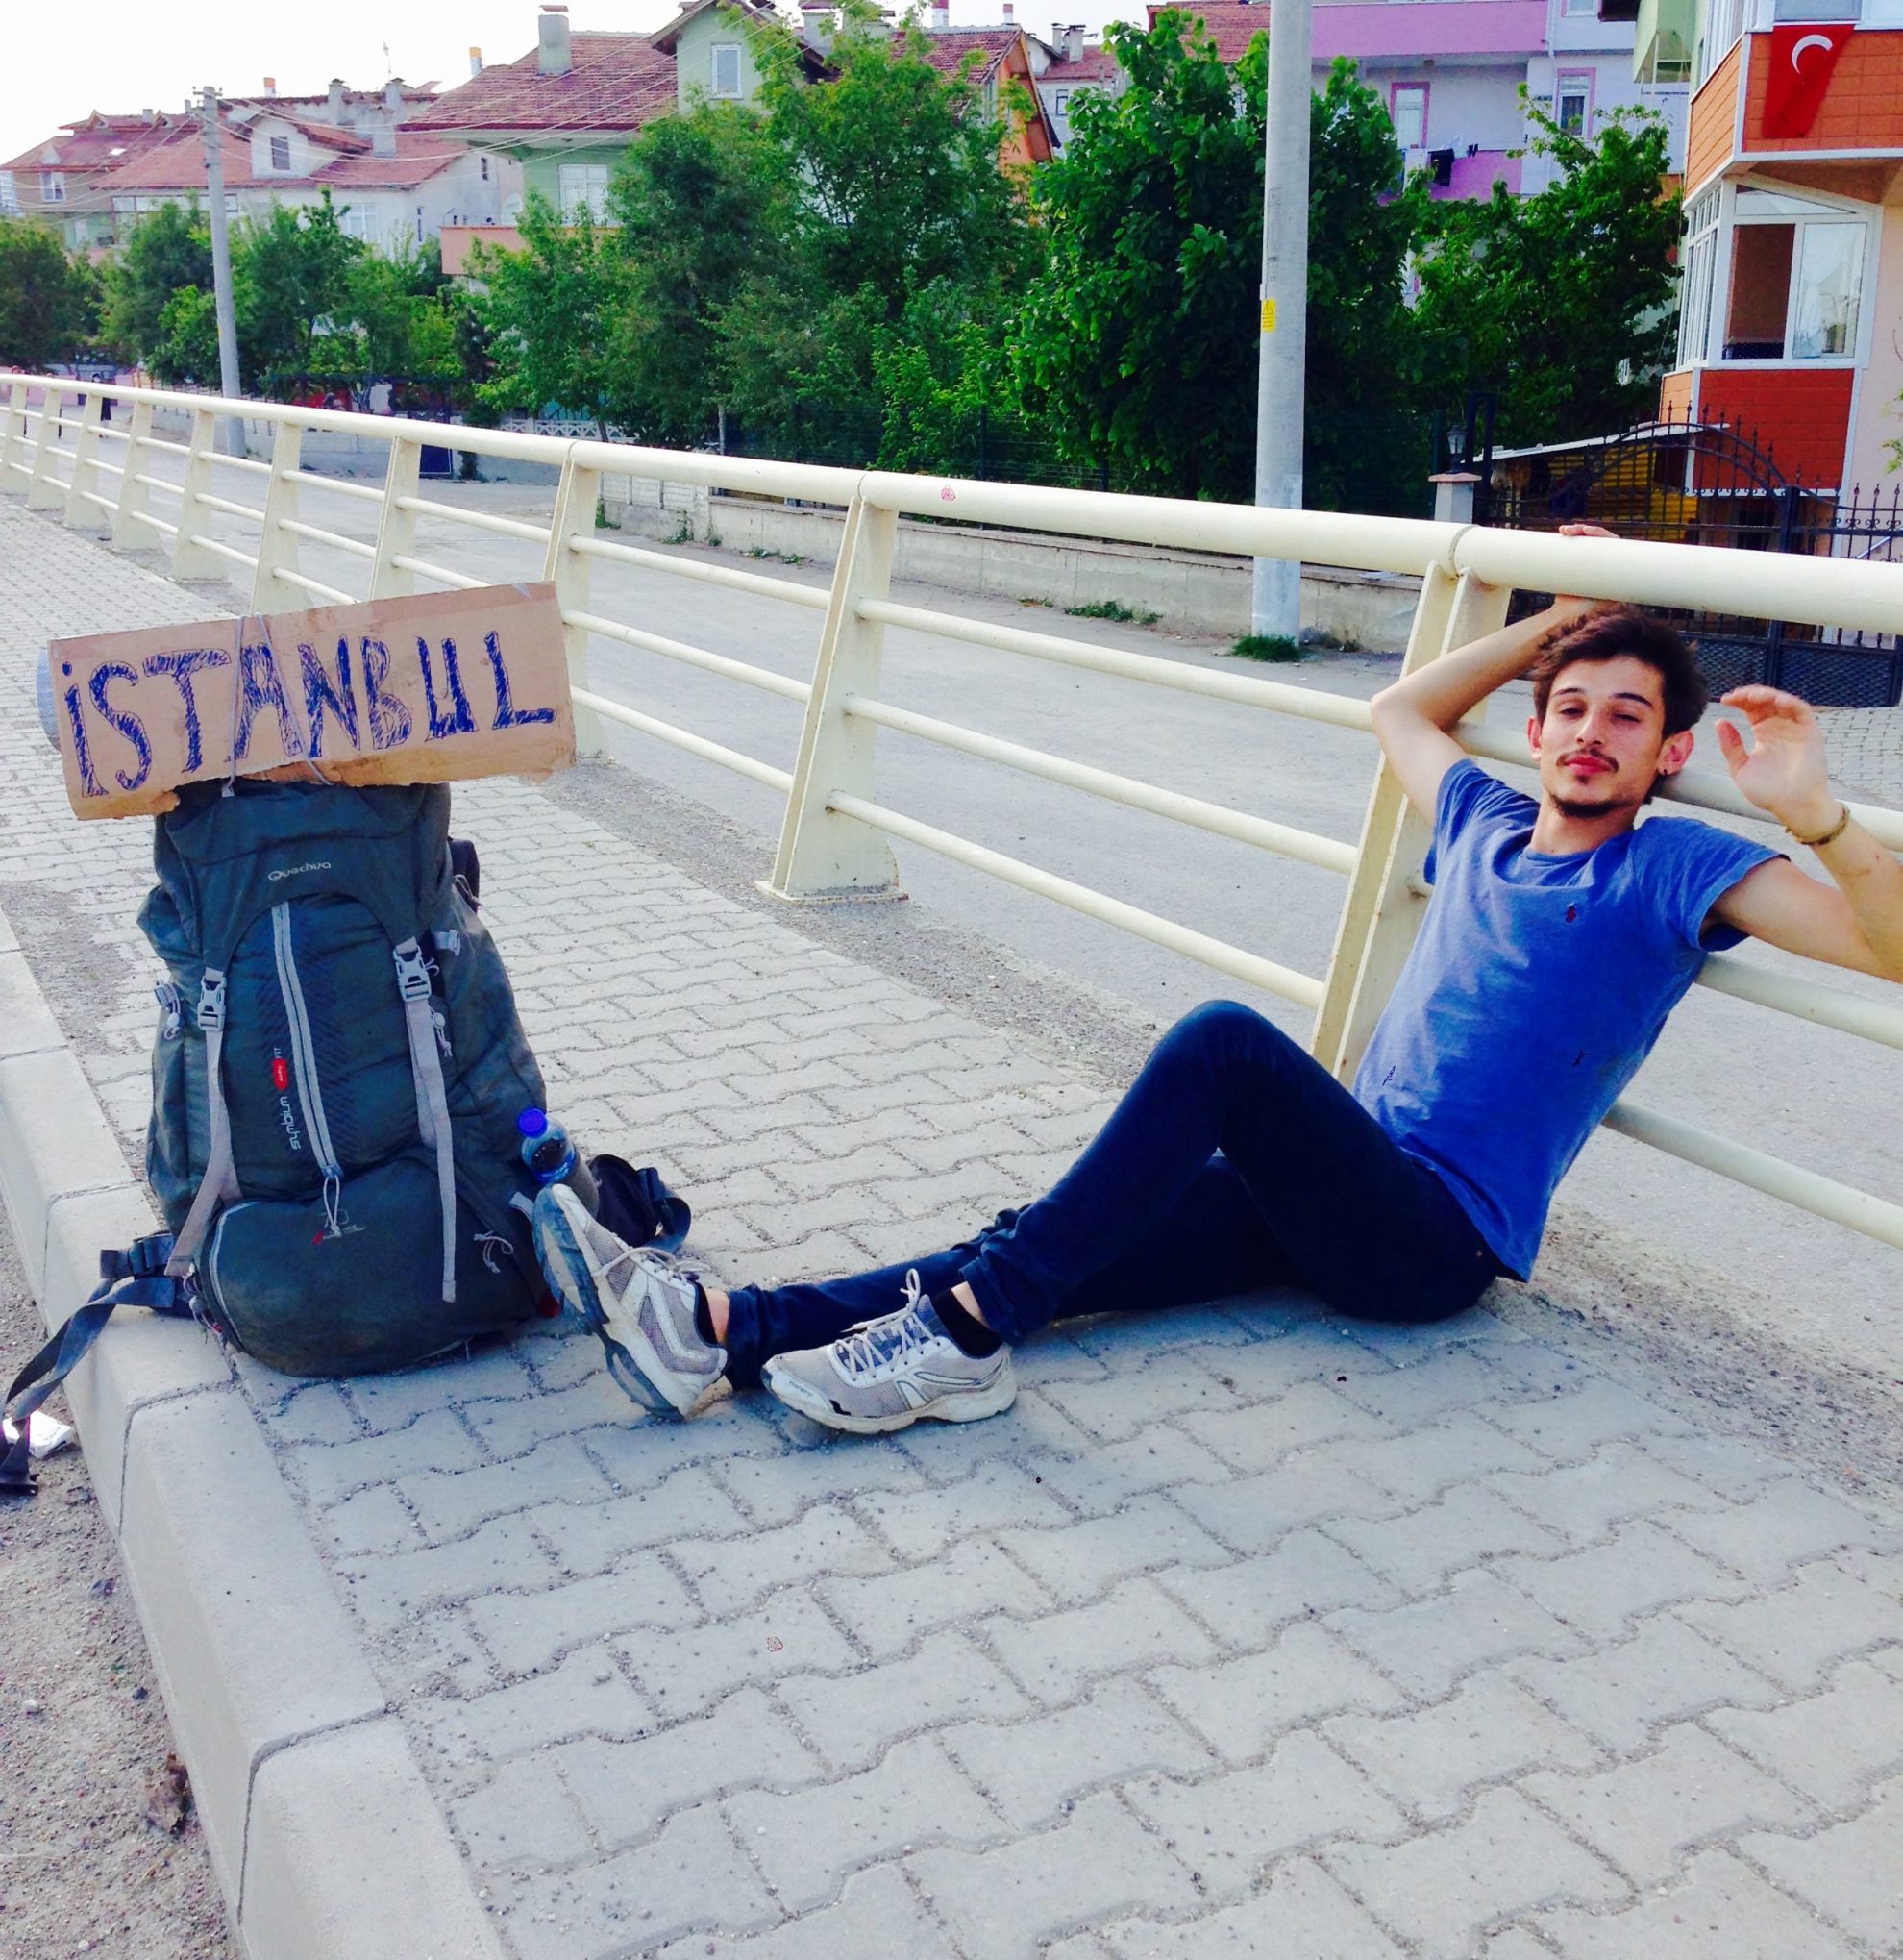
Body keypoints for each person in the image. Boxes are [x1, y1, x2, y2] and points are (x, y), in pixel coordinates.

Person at [531, 546, 1903, 1435]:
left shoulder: (1675, 868)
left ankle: (961, 1338)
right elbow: (1400, 711)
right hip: (1333, 1187)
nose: (1593, 734)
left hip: (1427, 1245)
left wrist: (1820, 816)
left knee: (1227, 1048)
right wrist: (1556, 614)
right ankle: (727, 1333)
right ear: (1538, 730)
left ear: (1670, 756)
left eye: (1628, 717)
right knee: (1054, 1242)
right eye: (1574, 708)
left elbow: (1884, 946)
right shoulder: (1484, 818)